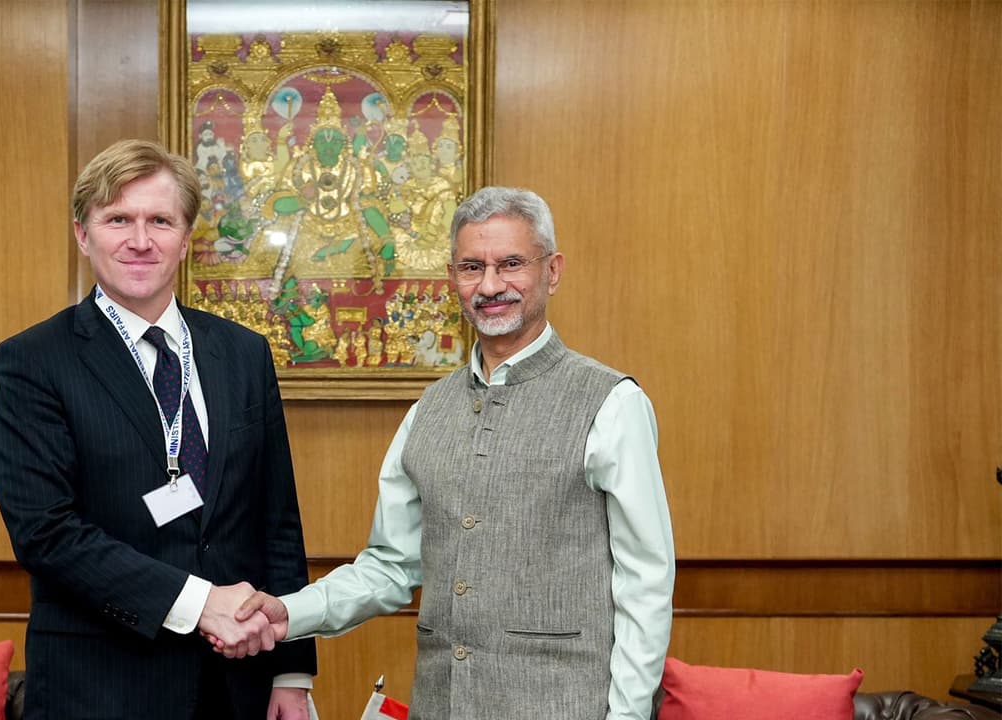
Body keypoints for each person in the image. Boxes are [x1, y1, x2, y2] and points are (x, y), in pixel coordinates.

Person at [222, 186, 675, 719]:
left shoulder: (612, 403)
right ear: (451, 278)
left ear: (552, 271)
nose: (490, 286)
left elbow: (646, 584)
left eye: (511, 264)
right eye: (470, 267)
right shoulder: (427, 411)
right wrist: (286, 613)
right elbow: (390, 568)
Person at [0, 139, 316, 719]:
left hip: (236, 687)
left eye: (160, 221)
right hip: (101, 689)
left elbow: (278, 519)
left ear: (186, 240)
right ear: (83, 235)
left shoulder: (243, 354)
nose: (140, 241)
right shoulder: (35, 361)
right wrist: (199, 603)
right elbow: (46, 533)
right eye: (118, 219)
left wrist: (291, 670)